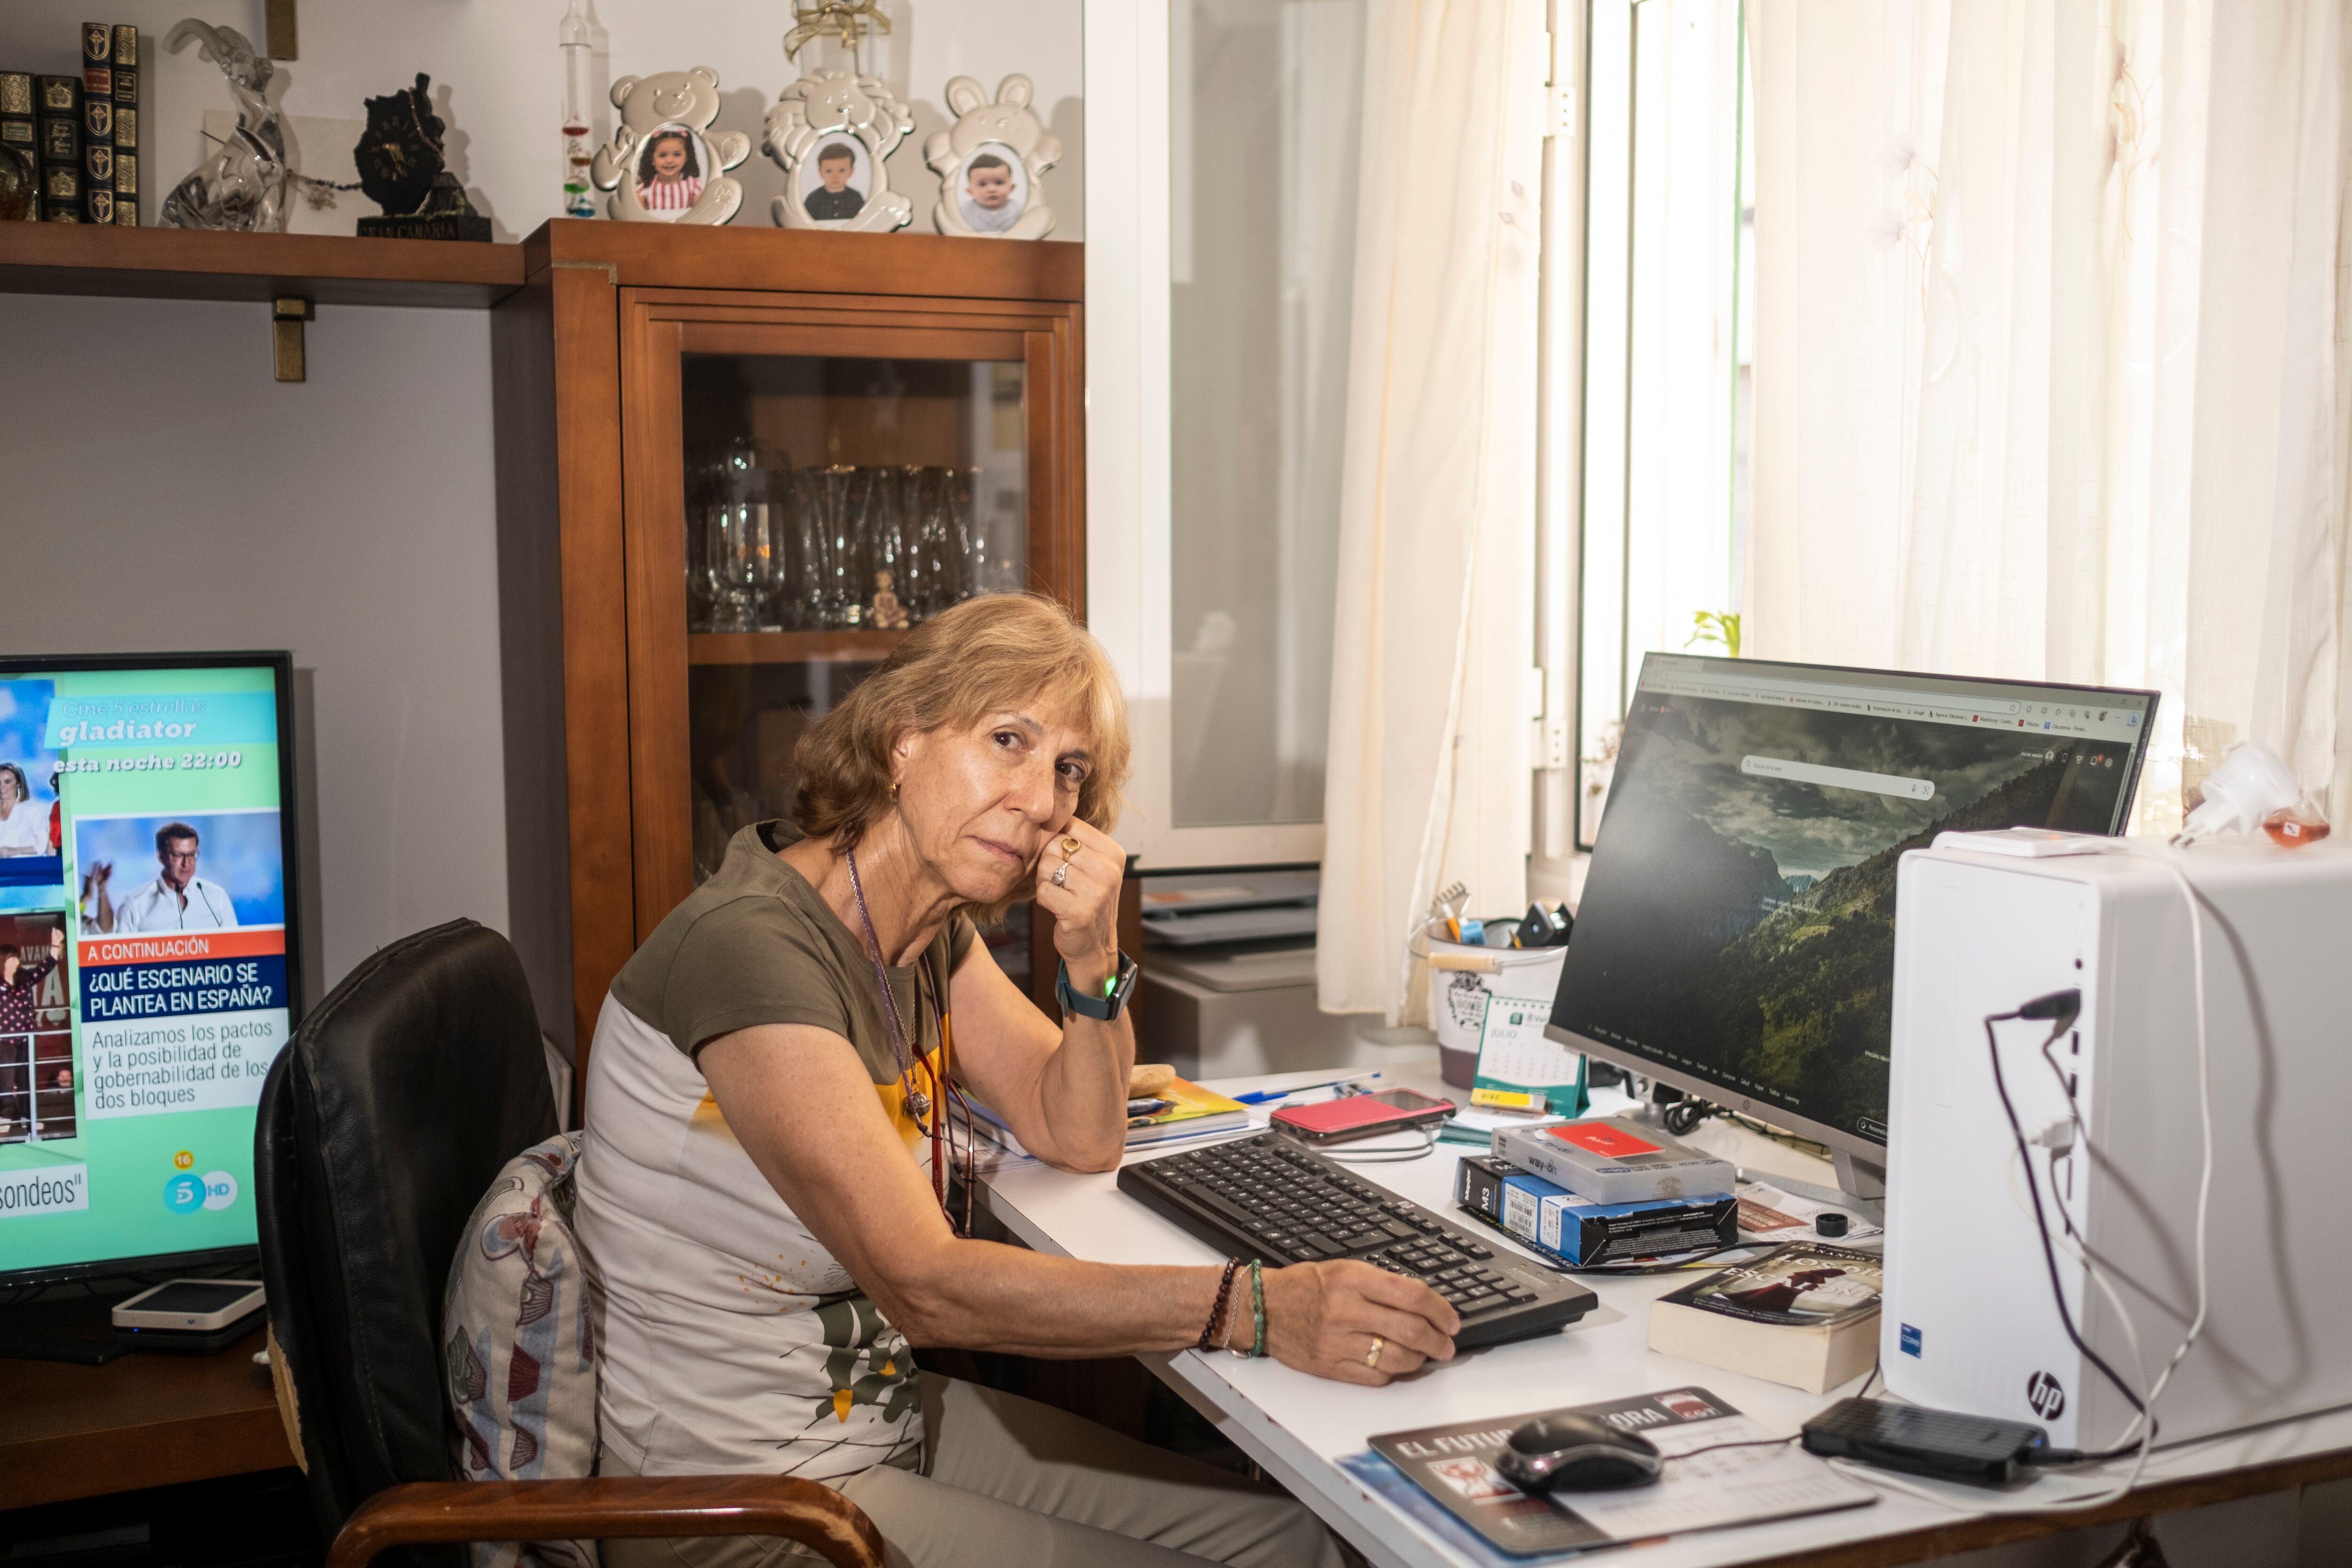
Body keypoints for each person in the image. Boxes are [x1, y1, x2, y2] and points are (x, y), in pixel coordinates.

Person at [577, 594, 1456, 1568]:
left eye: (1068, 770)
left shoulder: (922, 927)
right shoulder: (750, 948)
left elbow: (1076, 1127)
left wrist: (1091, 956)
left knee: (1298, 1538)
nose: (1042, 801)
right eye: (1008, 740)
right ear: (903, 740)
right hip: (738, 1502)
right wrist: (1260, 1307)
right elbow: (929, 1289)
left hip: (866, 1416)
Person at [101, 822, 240, 933]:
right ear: (161, 857)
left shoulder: (217, 897)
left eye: (192, 855)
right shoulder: (135, 904)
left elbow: (235, 949)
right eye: (178, 855)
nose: (187, 864)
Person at [0, 927, 62, 1138]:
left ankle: (29, 1118)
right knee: (6, 1080)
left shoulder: (24, 977)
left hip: (26, 1037)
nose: (15, 963)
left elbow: (43, 969)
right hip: (4, 1039)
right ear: (3, 962)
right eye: (11, 960)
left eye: (16, 959)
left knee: (27, 1079)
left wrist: (55, 945)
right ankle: (5, 1118)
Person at [636, 126, 703, 214]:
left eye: (677, 154)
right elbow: (637, 218)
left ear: (687, 157)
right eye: (663, 155)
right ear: (652, 159)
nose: (670, 161)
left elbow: (700, 216)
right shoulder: (645, 187)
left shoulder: (694, 185)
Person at [958, 151, 1021, 233]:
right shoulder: (963, 211)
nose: (992, 189)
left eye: (999, 183)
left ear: (1011, 188)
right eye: (983, 184)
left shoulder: (1019, 210)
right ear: (970, 192)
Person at [803, 141, 865, 221]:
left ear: (851, 172)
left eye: (842, 170)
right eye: (829, 171)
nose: (835, 176)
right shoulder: (813, 199)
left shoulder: (856, 198)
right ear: (820, 173)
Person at [0, 764, 46, 856]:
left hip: (24, 867)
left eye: (7, 782)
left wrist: (14, 851)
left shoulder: (33, 810)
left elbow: (42, 845)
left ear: (18, 783)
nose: (2, 787)